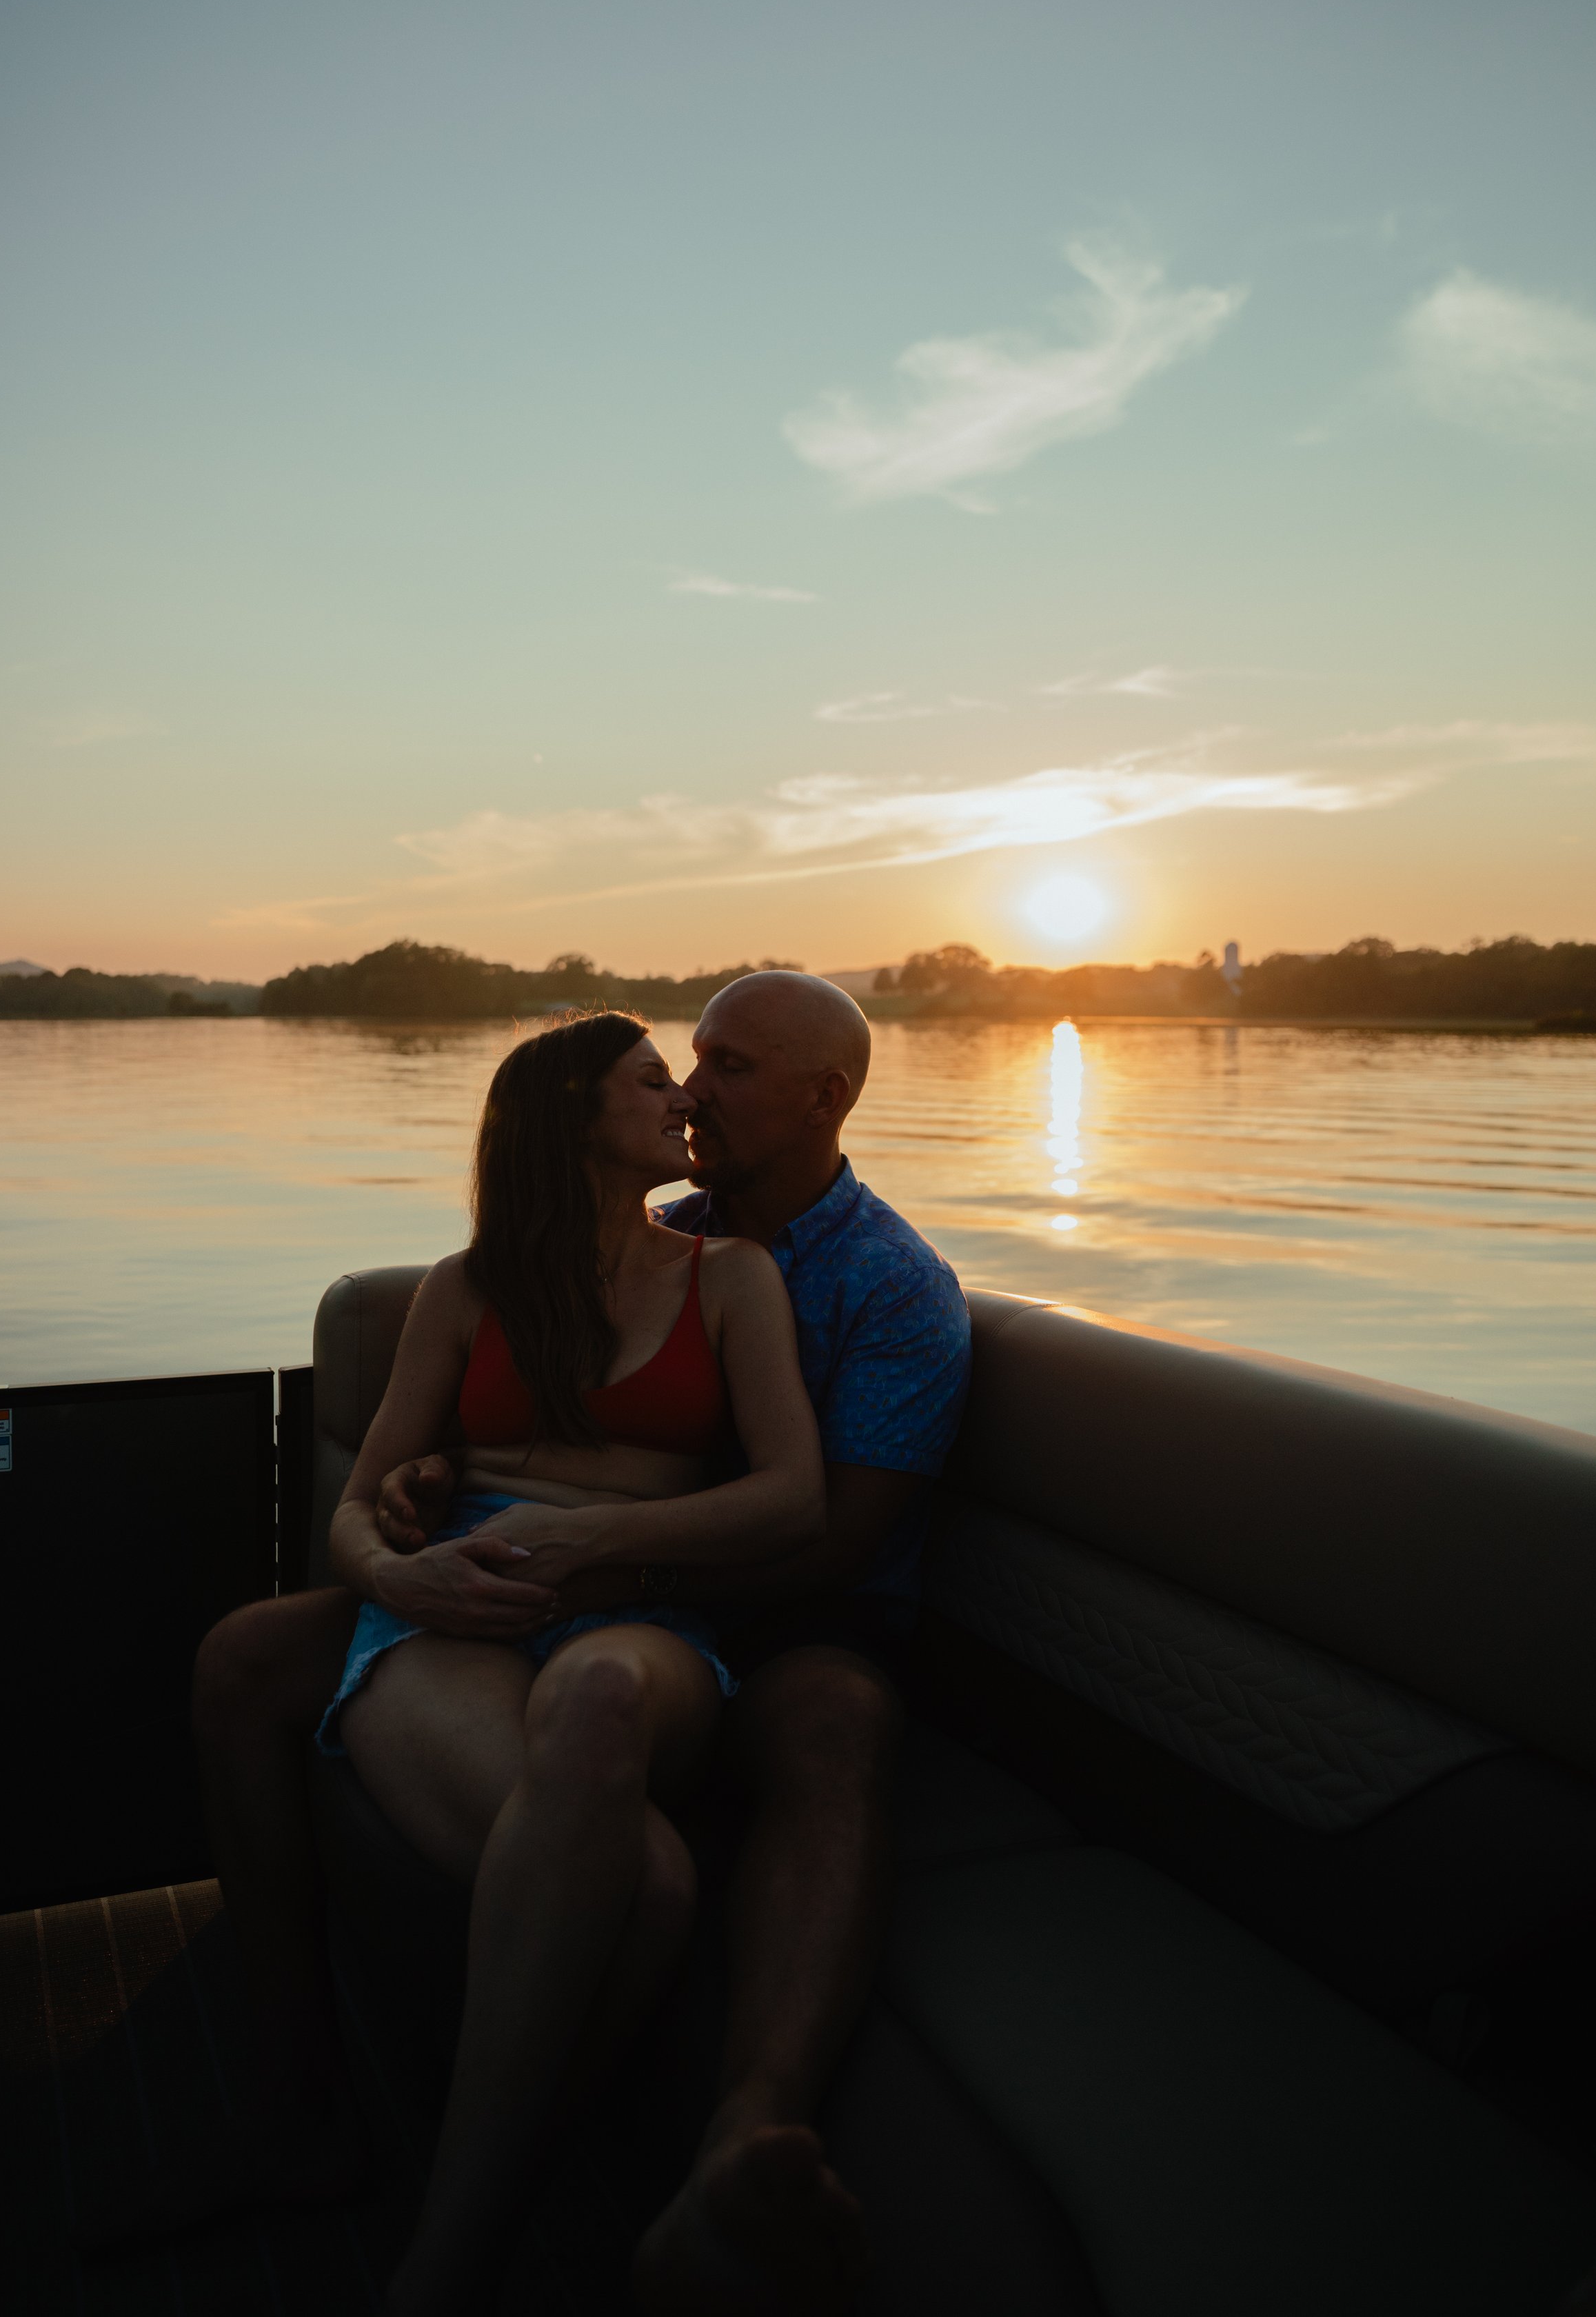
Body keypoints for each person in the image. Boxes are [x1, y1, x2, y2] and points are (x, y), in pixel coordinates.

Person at [175, 970, 970, 2314]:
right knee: (247, 1656)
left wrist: (588, 1557)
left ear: (823, 1097)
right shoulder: (642, 1234)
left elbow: (822, 1538)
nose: (691, 1091)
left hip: (776, 1622)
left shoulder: (885, 1290)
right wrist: (434, 1521)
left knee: (837, 1718)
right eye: (677, 1068)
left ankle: (746, 2132)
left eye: (721, 1067)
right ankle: (304, 2088)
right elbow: (519, 1428)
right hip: (542, 1596)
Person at [320, 1006, 826, 2315]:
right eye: (653, 1080)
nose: (685, 1100)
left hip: (631, 1603)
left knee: (600, 1697)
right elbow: (357, 1504)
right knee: (648, 1886)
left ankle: (443, 2253)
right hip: (454, 1606)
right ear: (571, 1118)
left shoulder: (731, 1278)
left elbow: (790, 1498)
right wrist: (397, 1572)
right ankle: (523, 2192)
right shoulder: (466, 1286)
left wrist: (596, 1540)